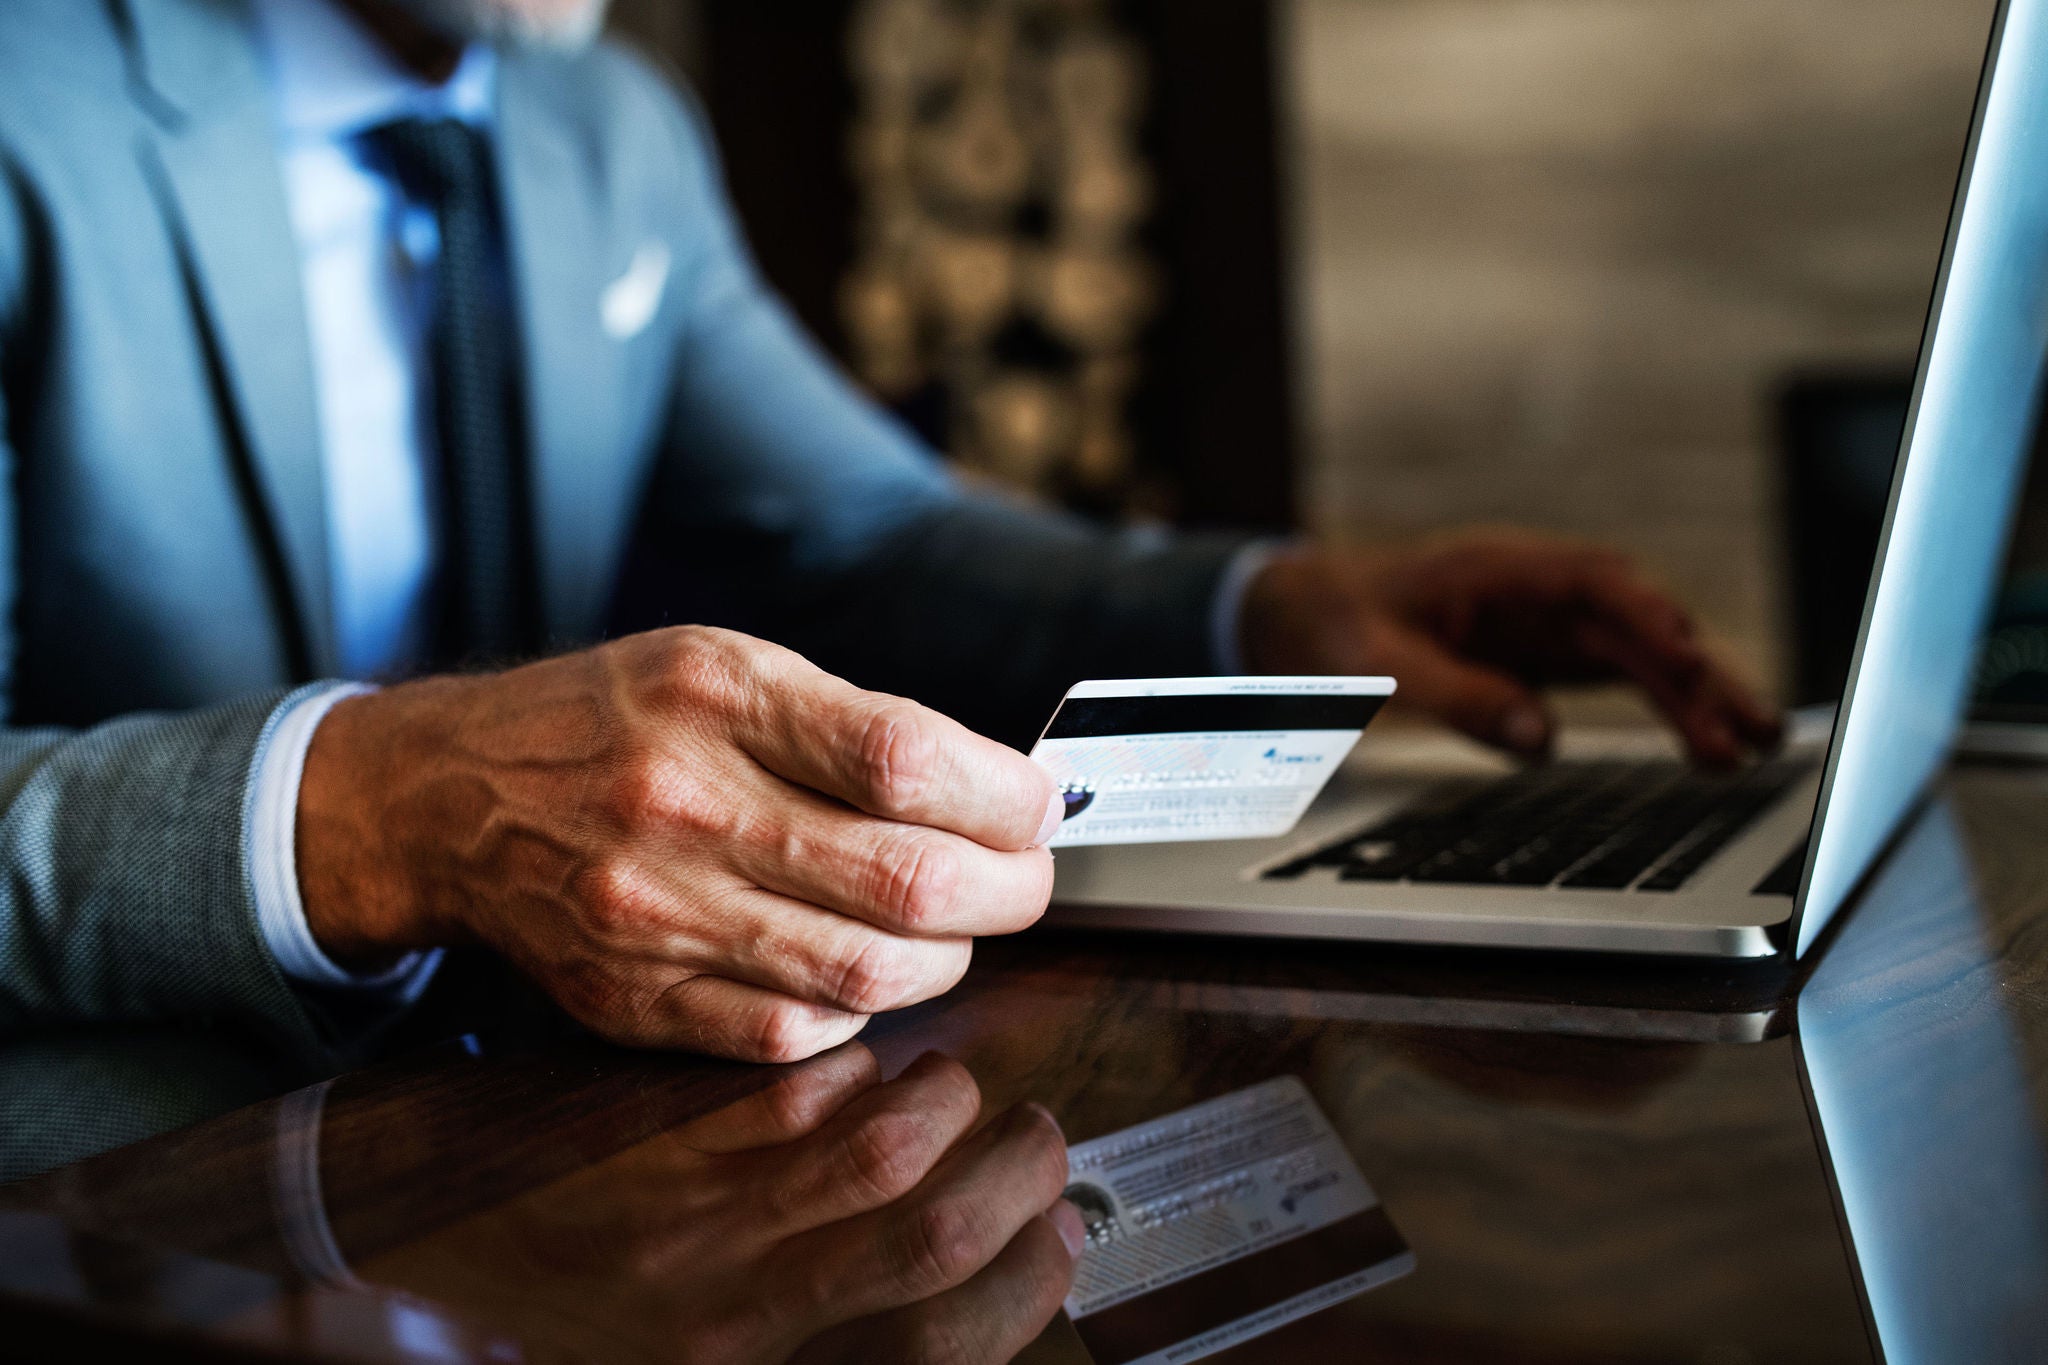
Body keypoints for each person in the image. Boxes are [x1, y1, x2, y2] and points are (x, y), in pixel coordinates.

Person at [0, 0, 1779, 1073]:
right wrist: (382, 810)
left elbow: (862, 533)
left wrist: (1274, 598)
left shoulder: (607, 129)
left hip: (531, 1140)